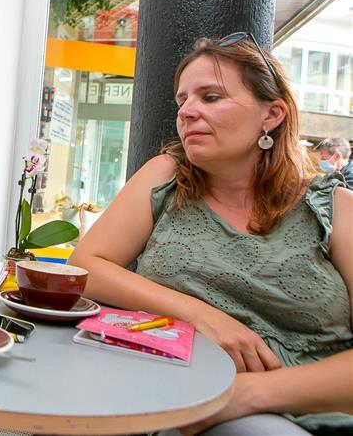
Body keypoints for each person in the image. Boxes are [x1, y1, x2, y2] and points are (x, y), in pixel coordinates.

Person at [69, 33, 352, 435]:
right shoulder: (167, 176)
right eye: (182, 100)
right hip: (173, 397)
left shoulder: (334, 207)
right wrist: (202, 316)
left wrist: (244, 395)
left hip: (302, 411)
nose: (187, 112)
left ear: (272, 115)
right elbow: (85, 265)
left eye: (211, 97)